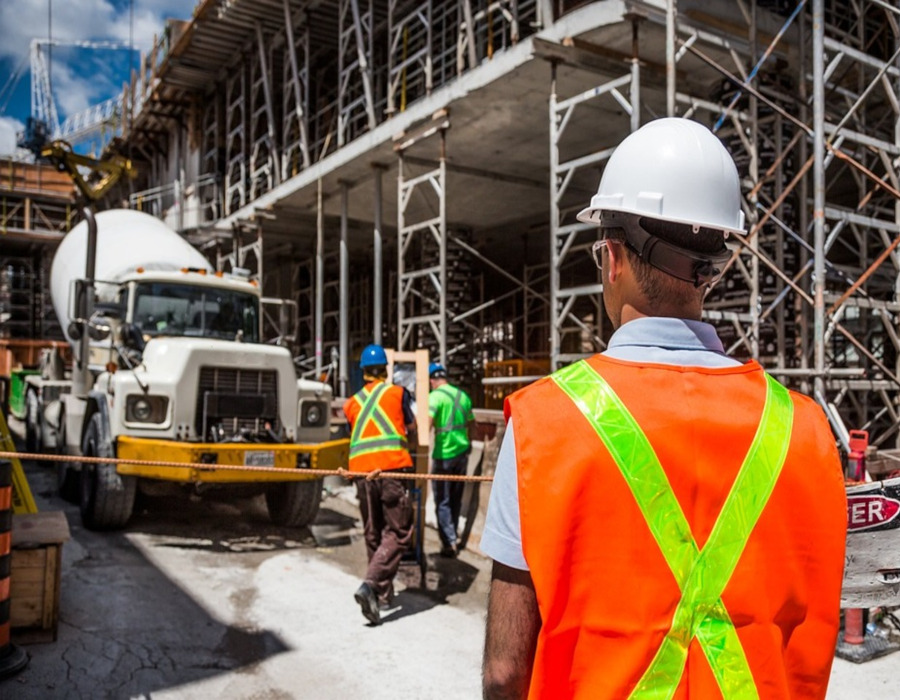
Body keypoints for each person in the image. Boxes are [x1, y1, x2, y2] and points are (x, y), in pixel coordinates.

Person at [481, 118, 847, 699]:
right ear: (714, 265)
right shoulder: (803, 428)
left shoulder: (541, 424)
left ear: (613, 257)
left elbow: (506, 673)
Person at [343, 344, 417, 626]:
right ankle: (371, 585)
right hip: (390, 470)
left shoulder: (351, 403)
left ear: (363, 372)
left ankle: (381, 596)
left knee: (373, 532)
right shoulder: (398, 394)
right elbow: (410, 427)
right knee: (399, 533)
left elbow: (357, 434)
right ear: (386, 370)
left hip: (362, 474)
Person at [427, 362, 475, 557]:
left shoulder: (435, 397)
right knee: (455, 498)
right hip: (462, 455)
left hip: (443, 456)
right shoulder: (462, 396)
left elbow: (427, 425)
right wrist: (467, 443)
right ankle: (453, 535)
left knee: (443, 500)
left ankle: (449, 542)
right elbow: (473, 425)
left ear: (432, 380)